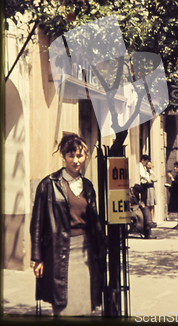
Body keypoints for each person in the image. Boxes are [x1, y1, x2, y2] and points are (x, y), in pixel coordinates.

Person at [30, 134, 106, 317]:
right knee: (63, 305)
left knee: (86, 306)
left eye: (79, 156)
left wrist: (101, 248)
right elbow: (37, 224)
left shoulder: (88, 186)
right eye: (71, 156)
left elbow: (94, 221)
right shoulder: (48, 185)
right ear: (64, 156)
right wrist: (38, 258)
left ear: (85, 156)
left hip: (86, 251)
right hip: (59, 251)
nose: (75, 160)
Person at [167, 161, 178, 229]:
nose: (175, 168)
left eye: (177, 167)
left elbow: (177, 184)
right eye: (175, 167)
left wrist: (171, 178)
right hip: (176, 193)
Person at [146, 161, 157, 226]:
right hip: (147, 188)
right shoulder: (144, 171)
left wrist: (151, 179)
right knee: (148, 204)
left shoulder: (151, 172)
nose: (149, 166)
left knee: (152, 204)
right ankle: (149, 219)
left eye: (150, 165)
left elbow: (156, 178)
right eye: (148, 165)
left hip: (151, 188)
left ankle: (152, 219)